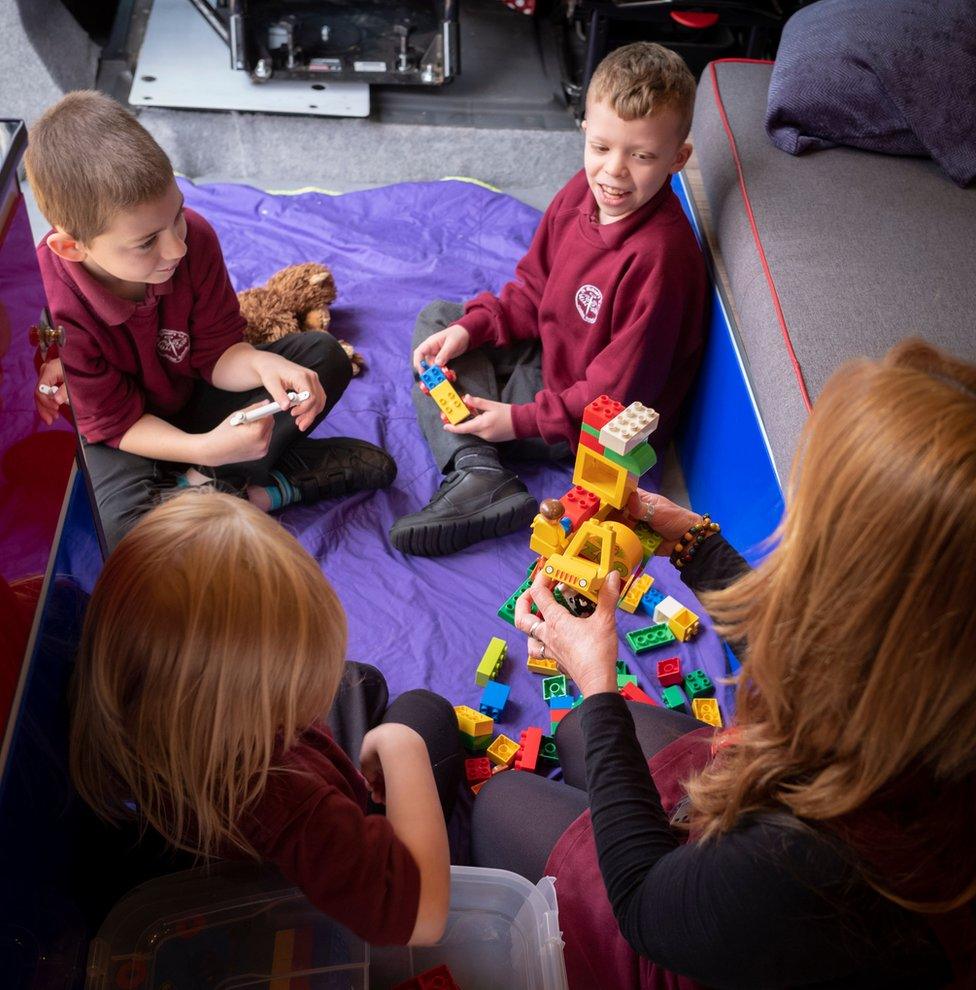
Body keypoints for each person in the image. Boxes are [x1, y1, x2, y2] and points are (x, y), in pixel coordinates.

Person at [471, 340, 976, 988]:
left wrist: (597, 684)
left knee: (502, 800)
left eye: (808, 522)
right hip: (786, 837)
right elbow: (800, 649)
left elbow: (645, 904)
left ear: (860, 596)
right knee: (577, 734)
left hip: (702, 920)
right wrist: (690, 538)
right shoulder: (930, 680)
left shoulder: (800, 861)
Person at [69, 491, 461, 946]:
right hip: (321, 870)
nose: (311, 697)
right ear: (241, 711)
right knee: (426, 715)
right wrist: (400, 743)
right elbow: (423, 919)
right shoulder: (281, 799)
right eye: (291, 691)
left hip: (252, 802)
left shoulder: (123, 689)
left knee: (362, 682)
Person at [26, 91, 395, 551]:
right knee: (116, 535)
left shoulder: (193, 238)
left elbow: (217, 354)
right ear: (71, 247)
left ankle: (199, 496)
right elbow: (114, 425)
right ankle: (263, 491)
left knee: (321, 357)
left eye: (176, 215)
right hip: (123, 437)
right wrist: (205, 451)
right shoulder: (51, 307)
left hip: (192, 397)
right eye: (146, 243)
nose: (176, 248)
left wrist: (261, 367)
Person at [390, 43, 707, 557]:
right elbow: (533, 291)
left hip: (586, 423)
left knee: (440, 385)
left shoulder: (661, 260)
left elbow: (615, 398)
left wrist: (517, 421)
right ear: (584, 131)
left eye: (642, 155)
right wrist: (473, 329)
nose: (615, 172)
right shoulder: (579, 195)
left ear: (678, 158)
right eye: (602, 148)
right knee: (440, 322)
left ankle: (475, 470)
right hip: (550, 364)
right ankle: (480, 471)